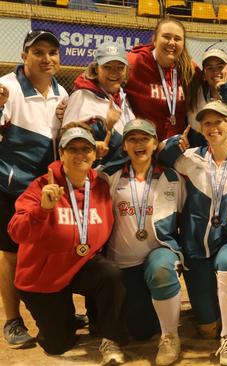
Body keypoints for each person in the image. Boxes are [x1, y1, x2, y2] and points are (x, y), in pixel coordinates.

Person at [8, 123, 128, 365]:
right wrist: (42, 210)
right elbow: (16, 232)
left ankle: (109, 338)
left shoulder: (101, 186)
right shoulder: (42, 186)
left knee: (109, 273)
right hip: (44, 278)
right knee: (57, 344)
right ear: (61, 153)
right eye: (72, 149)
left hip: (80, 265)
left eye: (86, 148)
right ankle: (63, 317)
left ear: (95, 154)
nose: (80, 154)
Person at [158, 100, 227, 366]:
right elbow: (158, 156)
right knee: (206, 328)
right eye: (206, 123)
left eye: (218, 121)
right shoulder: (191, 158)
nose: (212, 127)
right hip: (196, 248)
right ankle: (219, 311)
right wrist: (175, 143)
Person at [0, 29, 68, 348]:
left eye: (52, 52)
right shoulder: (7, 89)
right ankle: (12, 320)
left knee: (51, 251)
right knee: (11, 254)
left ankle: (56, 310)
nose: (46, 58)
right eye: (38, 52)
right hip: (11, 189)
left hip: (49, 191)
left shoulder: (62, 94)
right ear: (24, 56)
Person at [99, 119, 186, 365]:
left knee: (160, 269)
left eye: (144, 139)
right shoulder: (110, 177)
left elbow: (182, 218)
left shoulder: (172, 178)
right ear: (124, 145)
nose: (139, 144)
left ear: (155, 143)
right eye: (132, 139)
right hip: (123, 264)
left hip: (157, 254)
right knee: (141, 331)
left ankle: (170, 336)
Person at [124, 18, 198, 140]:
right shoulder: (134, 62)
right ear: (154, 40)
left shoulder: (189, 70)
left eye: (177, 39)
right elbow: (100, 72)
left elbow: (211, 78)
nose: (172, 42)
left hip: (174, 149)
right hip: (143, 149)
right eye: (166, 37)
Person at [63, 41, 134, 165]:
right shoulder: (82, 96)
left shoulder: (123, 97)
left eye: (120, 67)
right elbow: (66, 141)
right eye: (107, 67)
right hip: (94, 177)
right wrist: (97, 142)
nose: (114, 72)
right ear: (96, 68)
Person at [187, 46, 227, 148]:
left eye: (220, 66)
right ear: (204, 74)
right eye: (210, 68)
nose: (216, 71)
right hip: (205, 152)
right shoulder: (197, 95)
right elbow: (196, 132)